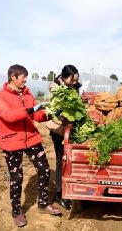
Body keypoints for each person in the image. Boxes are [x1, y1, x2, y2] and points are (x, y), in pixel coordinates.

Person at [0, 64, 61, 228]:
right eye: (23, 77)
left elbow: (36, 116)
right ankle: (17, 212)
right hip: (11, 141)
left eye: (25, 77)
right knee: (16, 178)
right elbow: (9, 116)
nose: (25, 80)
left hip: (31, 138)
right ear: (13, 77)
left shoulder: (27, 93)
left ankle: (43, 204)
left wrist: (50, 113)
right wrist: (30, 109)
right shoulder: (0, 96)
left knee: (45, 170)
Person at [46, 64, 81, 210]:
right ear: (64, 77)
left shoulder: (72, 86)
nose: (74, 83)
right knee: (61, 161)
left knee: (70, 162)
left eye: (76, 81)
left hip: (70, 129)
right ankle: (60, 195)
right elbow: (55, 111)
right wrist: (65, 116)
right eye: (72, 80)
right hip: (59, 131)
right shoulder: (55, 88)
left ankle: (70, 190)